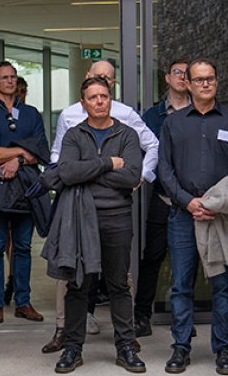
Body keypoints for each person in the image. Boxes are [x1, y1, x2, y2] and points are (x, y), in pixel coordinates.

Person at [43, 59, 158, 352]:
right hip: (81, 216)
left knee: (119, 284)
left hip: (117, 218)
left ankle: (125, 347)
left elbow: (132, 175)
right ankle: (72, 348)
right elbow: (66, 172)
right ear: (83, 103)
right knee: (79, 285)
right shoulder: (74, 134)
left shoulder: (127, 134)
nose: (99, 101)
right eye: (93, 97)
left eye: (103, 96)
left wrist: (88, 174)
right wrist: (107, 164)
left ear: (111, 99)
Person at [158, 59, 228, 376]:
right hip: (183, 215)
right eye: (198, 80)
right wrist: (188, 202)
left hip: (220, 216)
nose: (205, 84)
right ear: (188, 83)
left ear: (217, 82)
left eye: (210, 78)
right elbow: (164, 170)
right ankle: (181, 346)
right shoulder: (174, 123)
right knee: (181, 285)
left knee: (222, 286)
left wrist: (217, 203)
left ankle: (223, 349)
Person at [0, 61, 49, 323]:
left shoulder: (31, 113)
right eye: (4, 77)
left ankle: (23, 302)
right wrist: (20, 151)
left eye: (13, 77)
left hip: (26, 188)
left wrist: (16, 160)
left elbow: (41, 151)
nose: (9, 81)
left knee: (22, 247)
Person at [133, 58, 191, 339]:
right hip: (163, 198)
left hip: (194, 200)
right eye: (178, 73)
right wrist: (156, 180)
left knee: (192, 260)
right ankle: (141, 316)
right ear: (167, 78)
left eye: (187, 73)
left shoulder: (200, 111)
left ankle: (185, 319)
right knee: (153, 256)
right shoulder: (153, 116)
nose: (183, 77)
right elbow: (144, 154)